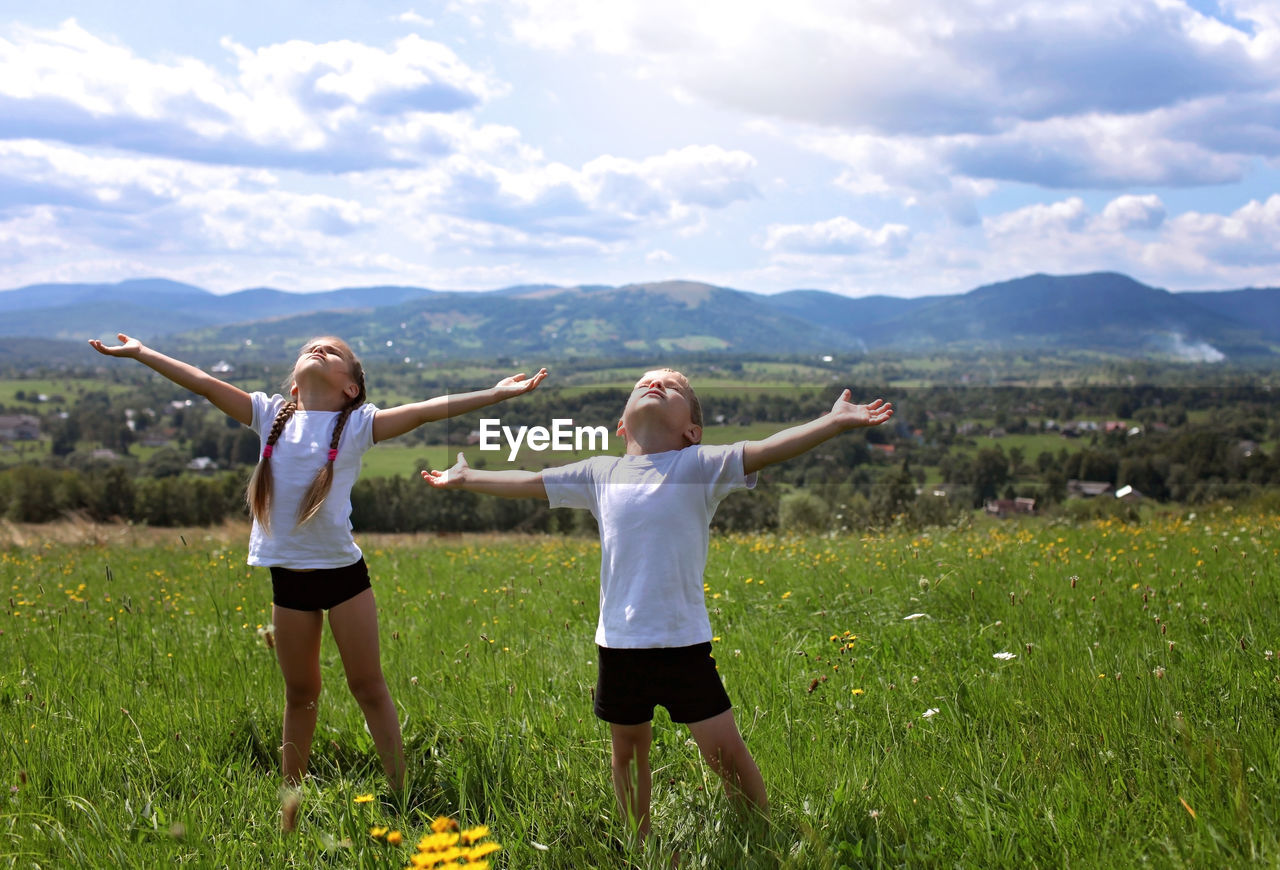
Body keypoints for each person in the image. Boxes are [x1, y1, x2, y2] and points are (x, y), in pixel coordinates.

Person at [89, 332, 547, 830]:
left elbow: (426, 410)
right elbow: (202, 383)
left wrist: (497, 394)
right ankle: (290, 805)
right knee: (300, 693)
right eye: (313, 347)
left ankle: (401, 791)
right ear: (294, 383)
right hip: (288, 584)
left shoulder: (357, 425)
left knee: (368, 685)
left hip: (344, 578)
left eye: (334, 352)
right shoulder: (268, 415)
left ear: (351, 387)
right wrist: (141, 353)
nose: (319, 350)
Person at [421, 368, 893, 842]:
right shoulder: (598, 473)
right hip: (619, 645)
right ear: (622, 425)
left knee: (724, 752)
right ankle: (639, 842)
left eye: (672, 388)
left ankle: (761, 833)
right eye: (643, 384)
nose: (654, 386)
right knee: (626, 752)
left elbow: (771, 447)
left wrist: (832, 422)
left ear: (693, 430)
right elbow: (530, 482)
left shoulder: (699, 467)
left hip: (682, 643)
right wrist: (466, 478)